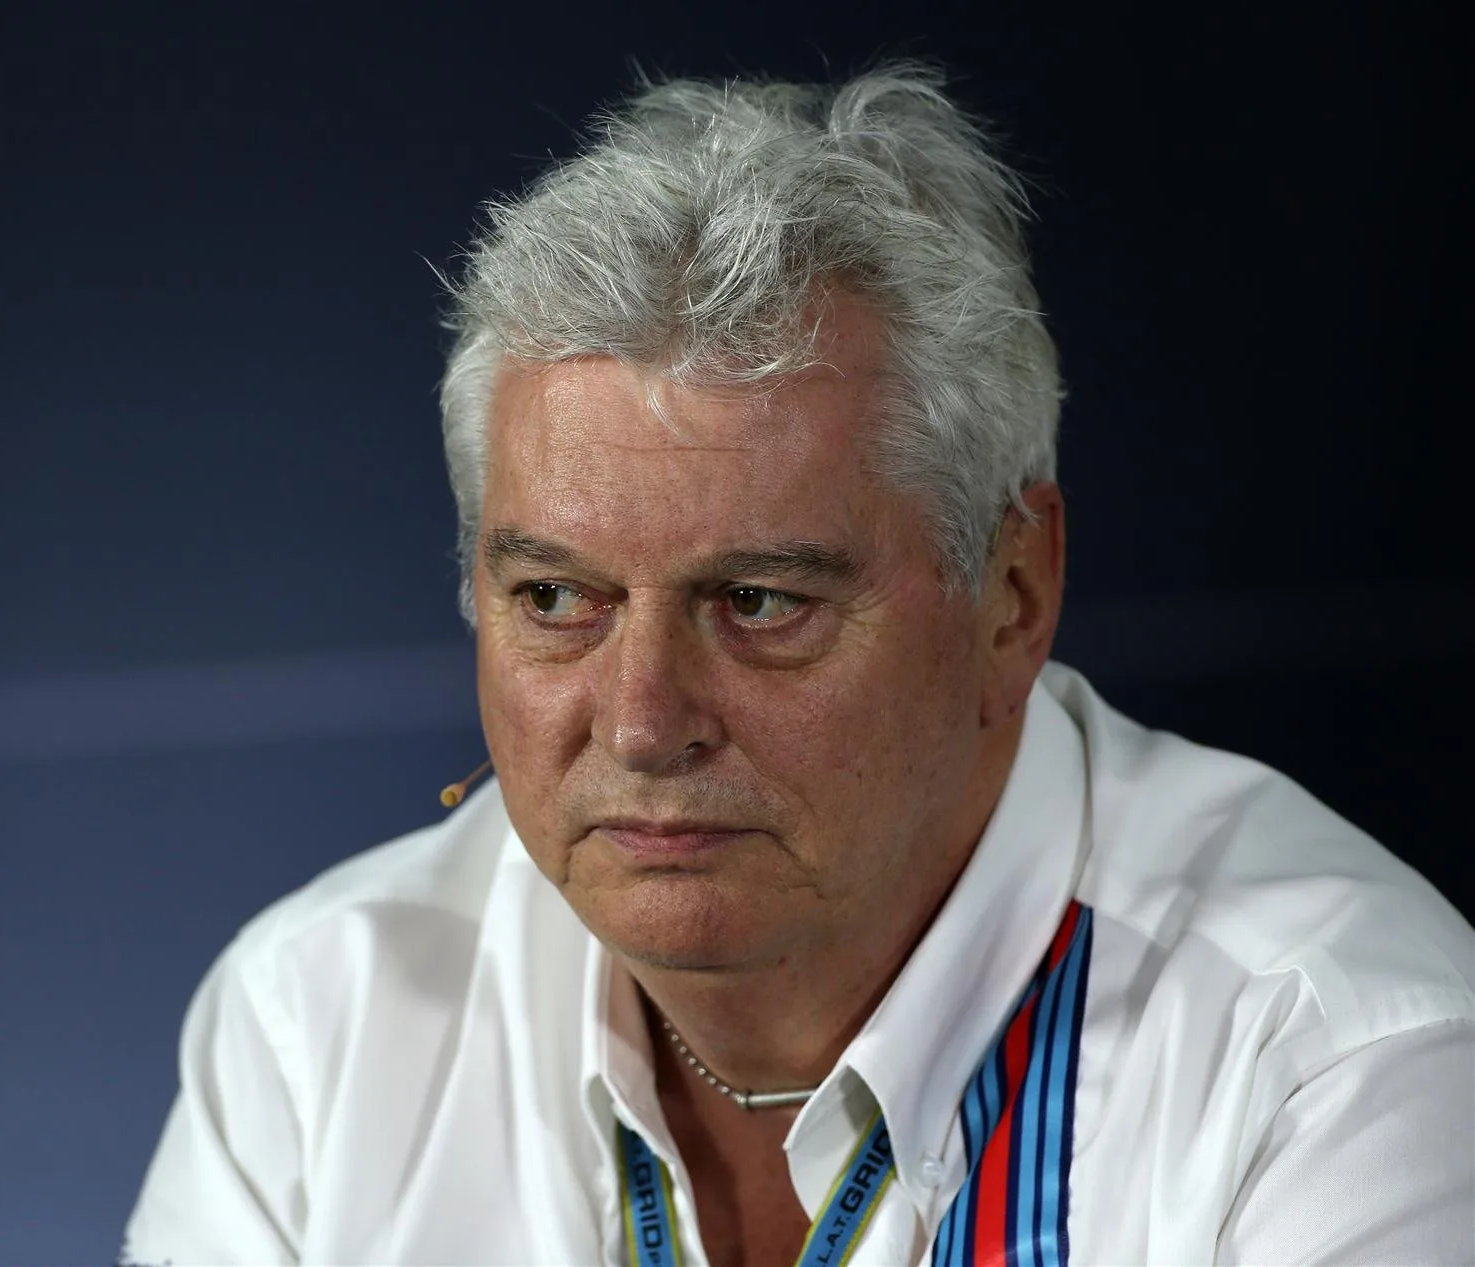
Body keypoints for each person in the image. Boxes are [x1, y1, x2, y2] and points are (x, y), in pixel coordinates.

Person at [119, 64, 1475, 1266]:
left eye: (760, 601)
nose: (644, 722)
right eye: (556, 596)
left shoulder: (1343, 1066)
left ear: (1012, 594)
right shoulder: (318, 1026)